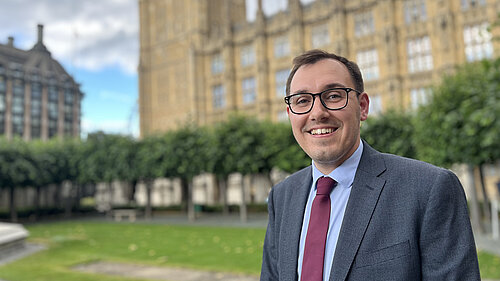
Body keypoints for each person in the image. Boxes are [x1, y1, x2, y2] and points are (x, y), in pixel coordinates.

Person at [260, 49, 480, 281]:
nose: (317, 113)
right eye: (302, 101)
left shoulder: (428, 189)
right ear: (289, 114)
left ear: (363, 107)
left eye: (334, 96)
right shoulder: (282, 196)